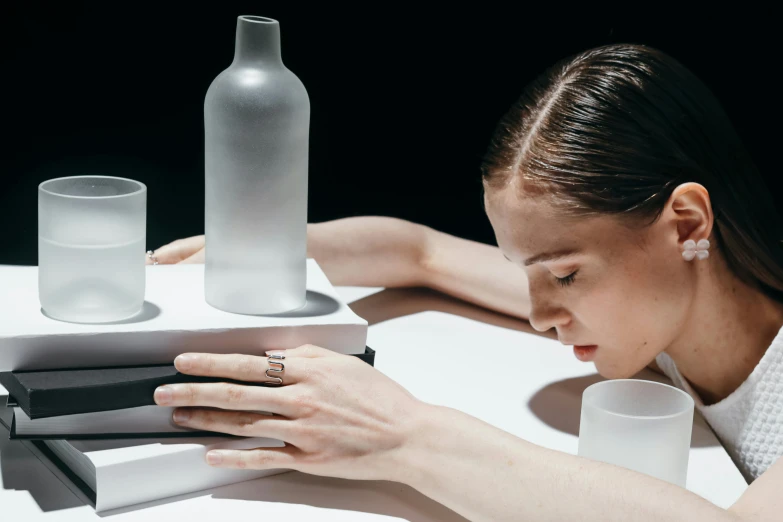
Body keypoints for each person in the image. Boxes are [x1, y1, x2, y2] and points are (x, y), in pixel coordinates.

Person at [149, 43, 783, 521]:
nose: (539, 314)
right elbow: (419, 252)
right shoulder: (653, 310)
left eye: (564, 273)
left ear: (686, 224)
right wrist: (261, 250)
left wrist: (405, 434)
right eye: (526, 274)